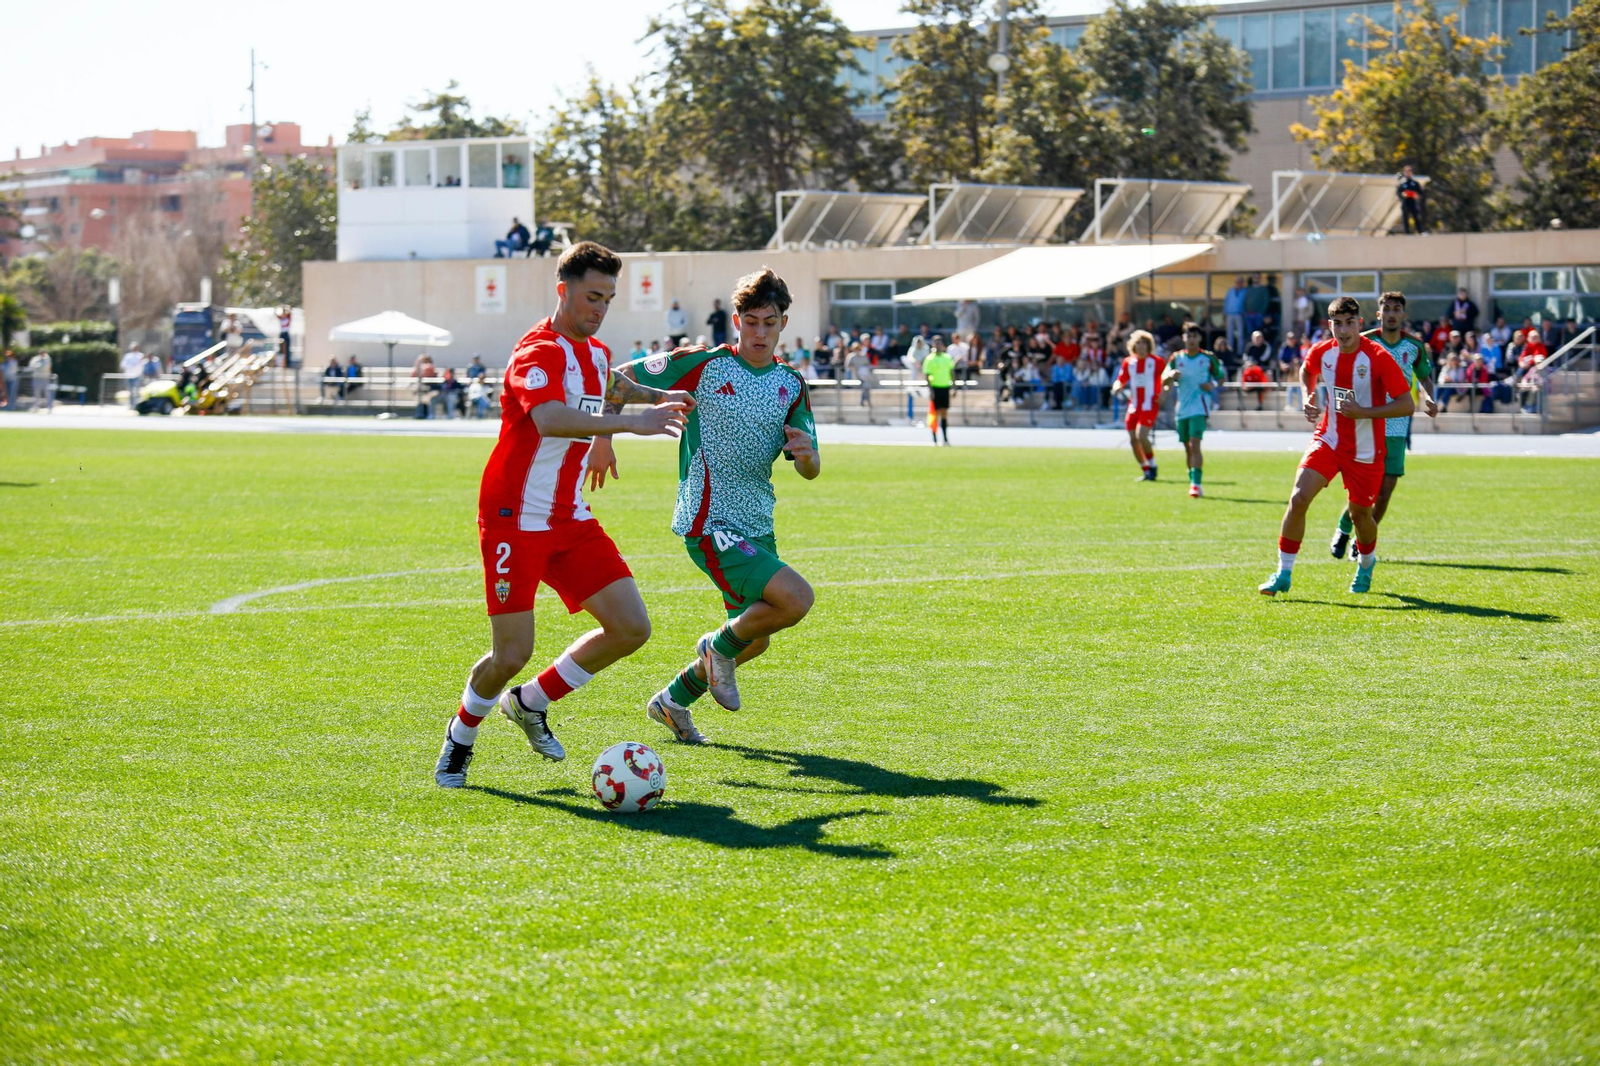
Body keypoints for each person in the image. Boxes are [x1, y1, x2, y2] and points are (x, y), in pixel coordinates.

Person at [434, 241, 695, 788]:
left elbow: (611, 386)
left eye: (608, 299)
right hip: (513, 516)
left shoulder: (596, 353)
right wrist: (633, 424)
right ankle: (460, 739)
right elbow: (551, 417)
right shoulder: (539, 351)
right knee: (512, 651)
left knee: (630, 628)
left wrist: (660, 395)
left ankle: (530, 703)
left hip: (569, 516)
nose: (600, 308)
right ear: (563, 291)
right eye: (591, 296)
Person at [604, 267, 820, 745]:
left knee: (756, 637)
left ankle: (673, 701)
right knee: (796, 599)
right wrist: (604, 436)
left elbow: (811, 466)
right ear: (736, 321)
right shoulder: (704, 363)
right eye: (751, 321)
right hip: (709, 519)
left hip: (756, 522)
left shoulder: (791, 383)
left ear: (784, 323)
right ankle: (714, 648)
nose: (759, 332)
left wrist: (808, 457)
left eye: (770, 322)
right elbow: (616, 379)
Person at [1259, 296, 1415, 598]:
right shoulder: (1323, 351)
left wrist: (1364, 413)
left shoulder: (1378, 357)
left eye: (1349, 323)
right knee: (1299, 497)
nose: (1343, 331)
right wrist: (1308, 395)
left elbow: (1406, 404)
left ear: (1359, 324)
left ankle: (1367, 562)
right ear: (1330, 325)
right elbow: (1307, 370)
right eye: (1337, 324)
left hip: (1366, 449)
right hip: (1328, 439)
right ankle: (1283, 572)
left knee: (1360, 516)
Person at [1328, 290, 1439, 560]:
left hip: (1398, 425)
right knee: (1365, 489)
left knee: (1386, 491)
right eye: (1386, 309)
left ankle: (1361, 540)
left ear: (1403, 314)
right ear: (1378, 314)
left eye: (1396, 309)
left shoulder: (1413, 346)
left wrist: (1431, 398)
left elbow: (1425, 377)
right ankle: (1344, 529)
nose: (1391, 314)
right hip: (1366, 423)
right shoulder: (1364, 341)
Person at [1161, 322, 1224, 498]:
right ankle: (1192, 479)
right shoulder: (1176, 358)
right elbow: (1164, 378)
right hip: (1182, 408)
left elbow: (1221, 377)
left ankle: (1196, 484)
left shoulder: (1208, 358)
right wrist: (1170, 376)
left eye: (1195, 336)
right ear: (1184, 338)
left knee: (1195, 444)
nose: (1191, 340)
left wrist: (1211, 384)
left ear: (1200, 338)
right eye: (1188, 336)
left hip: (1200, 406)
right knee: (1187, 447)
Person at [1112, 330, 1165, 482]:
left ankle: (1153, 466)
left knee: (1141, 435)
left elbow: (1166, 380)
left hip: (1150, 404)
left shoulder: (1157, 362)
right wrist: (1117, 386)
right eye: (1138, 343)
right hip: (1134, 405)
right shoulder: (1129, 362)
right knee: (1132, 440)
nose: (1141, 346)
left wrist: (1164, 394)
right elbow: (1120, 379)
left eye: (1144, 343)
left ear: (1149, 346)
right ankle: (1145, 469)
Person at [921, 333, 955, 444]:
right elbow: (927, 375)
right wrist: (930, 390)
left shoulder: (947, 357)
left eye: (939, 343)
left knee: (944, 413)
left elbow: (952, 372)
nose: (938, 345)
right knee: (934, 413)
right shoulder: (929, 359)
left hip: (945, 387)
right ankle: (934, 438)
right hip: (935, 388)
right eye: (936, 343)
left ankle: (945, 438)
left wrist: (953, 387)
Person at [1223, 276, 1247, 354]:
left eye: (1240, 282)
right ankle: (1230, 352)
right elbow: (1226, 302)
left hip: (1239, 315)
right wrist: (1225, 314)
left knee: (1240, 335)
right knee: (1229, 334)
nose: (1238, 283)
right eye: (1237, 281)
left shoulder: (1245, 291)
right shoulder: (1230, 291)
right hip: (1229, 314)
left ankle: (1240, 352)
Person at [1397, 166, 1425, 233]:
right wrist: (1403, 194)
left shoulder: (1415, 183)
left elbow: (1420, 193)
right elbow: (1398, 193)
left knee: (1416, 217)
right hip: (1405, 203)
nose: (1408, 174)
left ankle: (1420, 231)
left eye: (1409, 172)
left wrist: (1416, 195)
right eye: (1406, 172)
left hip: (1413, 202)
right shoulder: (1402, 183)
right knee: (1405, 218)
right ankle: (1407, 233)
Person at [120, 342, 146, 407]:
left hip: (137, 376)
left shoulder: (140, 355)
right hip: (129, 376)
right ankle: (131, 404)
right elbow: (123, 365)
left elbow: (142, 365)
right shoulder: (127, 356)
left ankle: (137, 404)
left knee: (137, 391)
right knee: (130, 391)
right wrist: (131, 366)